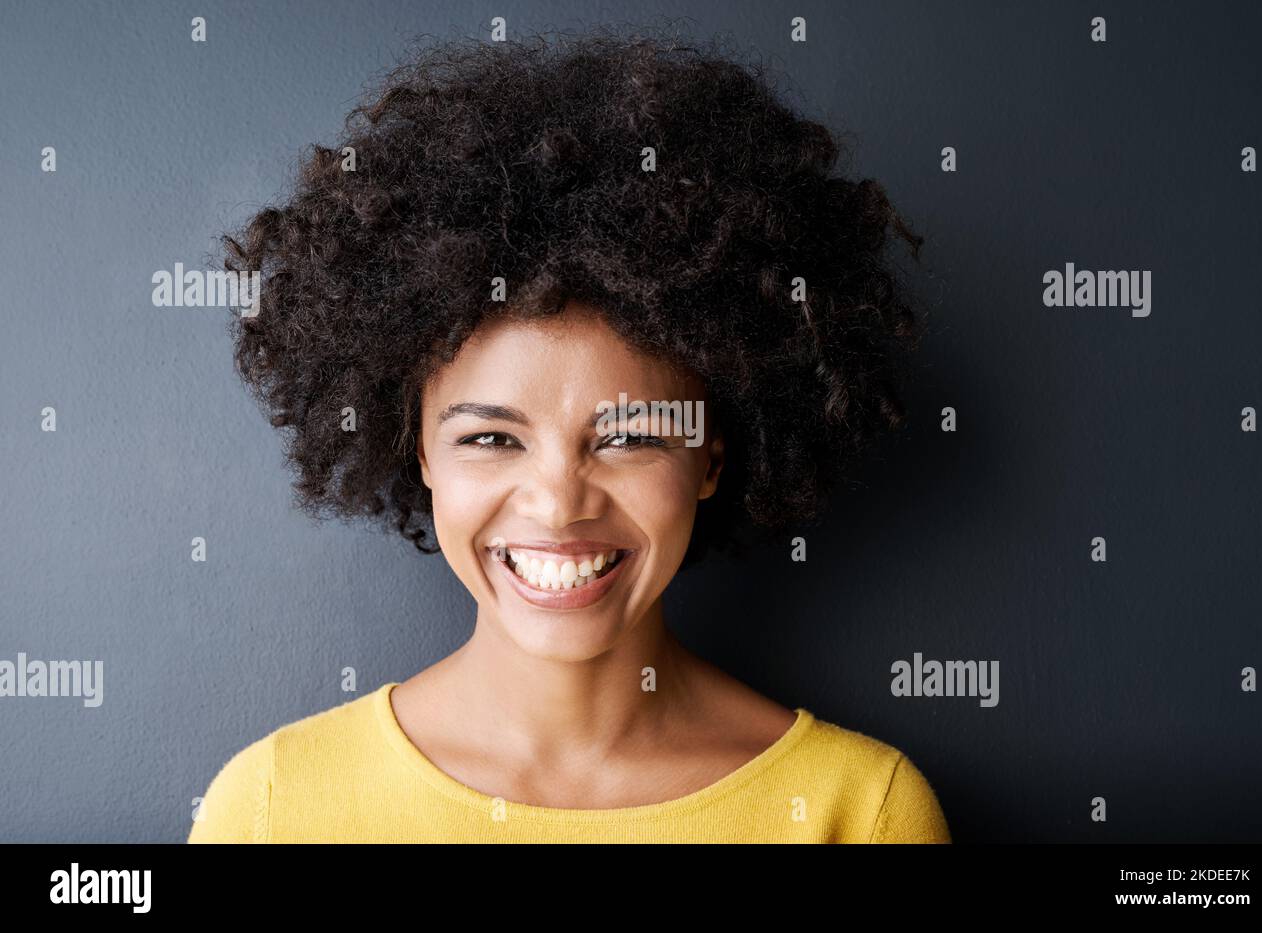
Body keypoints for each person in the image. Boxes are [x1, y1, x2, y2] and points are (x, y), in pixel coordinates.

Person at [189, 28, 949, 843]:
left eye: (629, 438)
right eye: (490, 439)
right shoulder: (275, 807)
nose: (558, 504)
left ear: (711, 459)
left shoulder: (858, 812)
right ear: (419, 453)